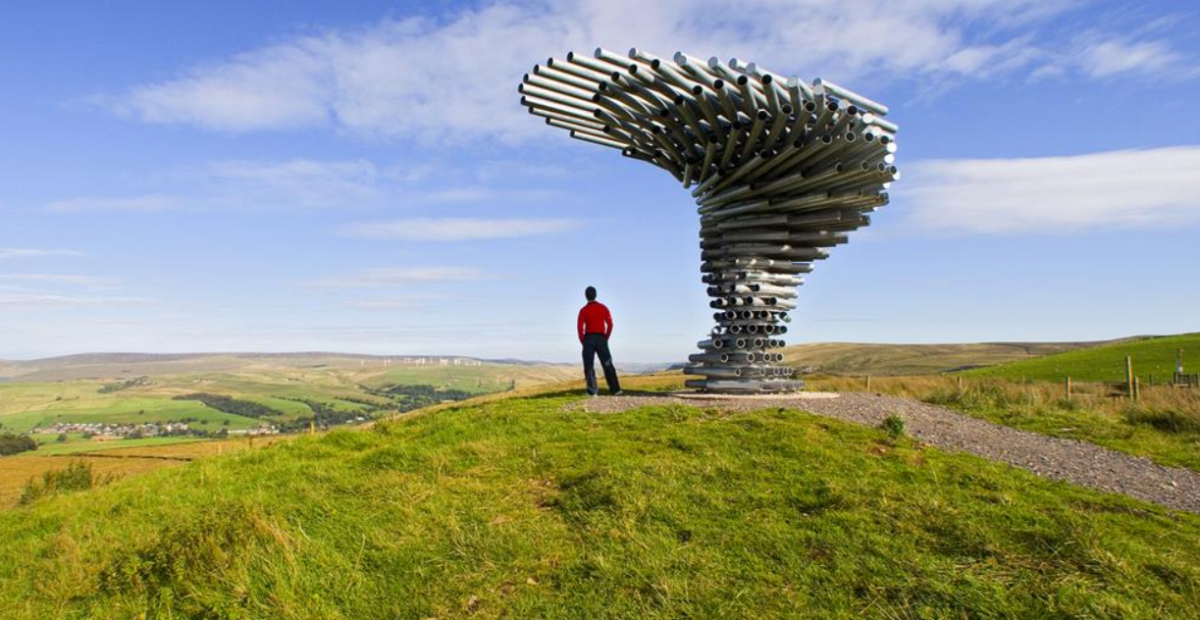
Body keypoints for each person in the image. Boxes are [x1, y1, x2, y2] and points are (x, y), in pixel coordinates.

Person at [577, 286, 622, 396]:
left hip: (588, 338)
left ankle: (592, 391)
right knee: (608, 364)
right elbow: (610, 324)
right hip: (601, 338)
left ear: (585, 296)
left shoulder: (583, 310)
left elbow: (580, 328)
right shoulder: (603, 308)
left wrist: (583, 341)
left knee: (589, 365)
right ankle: (615, 390)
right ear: (595, 295)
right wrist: (606, 337)